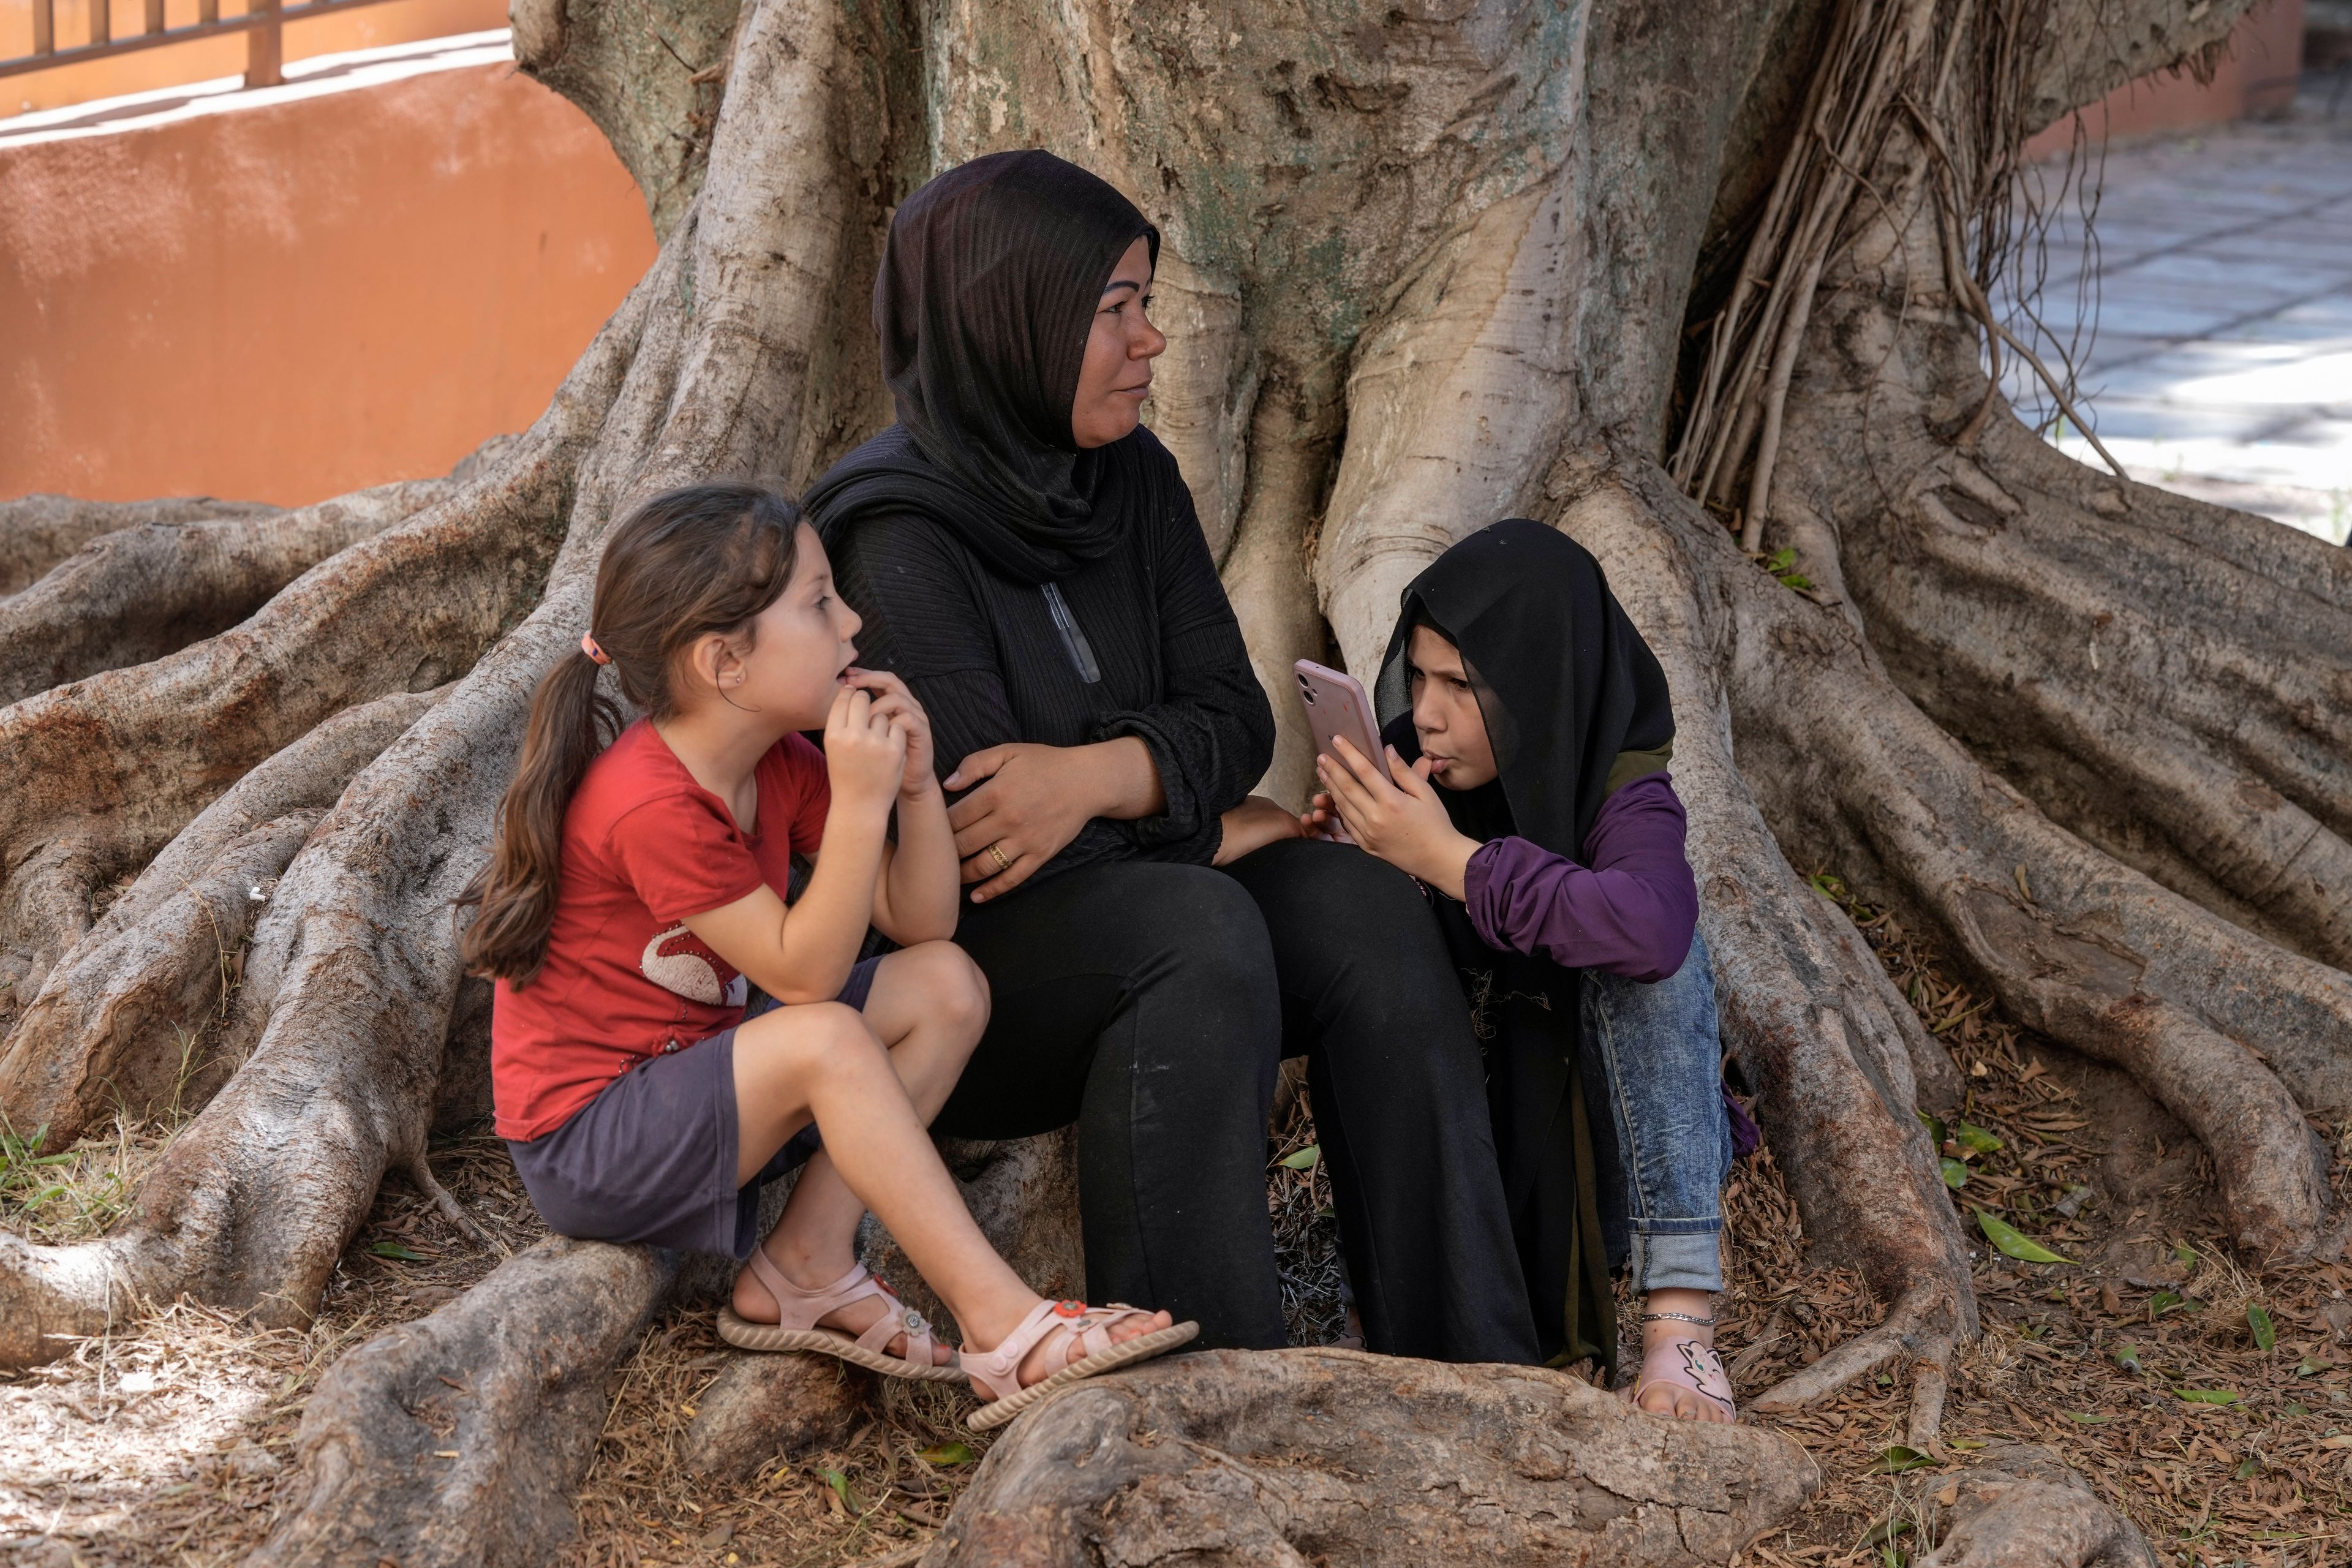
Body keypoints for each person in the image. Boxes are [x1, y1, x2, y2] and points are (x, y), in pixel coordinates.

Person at [807, 149, 1537, 1363]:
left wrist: (1102, 776)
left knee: (1360, 902)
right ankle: (1205, 1384)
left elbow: (1236, 713)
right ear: (1011, 322)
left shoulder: (1131, 479)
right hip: (969, 989)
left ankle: (1465, 1360)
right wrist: (1201, 810)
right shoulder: (893, 538)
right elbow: (996, 845)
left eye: (1145, 302)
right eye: (1113, 311)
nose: (1150, 341)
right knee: (1190, 926)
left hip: (1148, 895)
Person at [461, 482, 1194, 1431]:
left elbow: (919, 920)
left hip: (698, 1076)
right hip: (591, 1141)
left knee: (946, 990)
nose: (851, 621)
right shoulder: (648, 802)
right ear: (725, 662)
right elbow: (803, 982)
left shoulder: (775, 760)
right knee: (827, 1038)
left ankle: (805, 1262)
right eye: (817, 603)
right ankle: (1006, 1333)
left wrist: (917, 789)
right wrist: (856, 805)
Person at [1306, 518, 1743, 1422]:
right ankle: (1399, 1290)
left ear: (1540, 685)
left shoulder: (1622, 789)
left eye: (1462, 685)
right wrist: (1357, 855)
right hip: (1470, 1136)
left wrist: (1452, 862)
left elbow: (1654, 932)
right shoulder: (1413, 763)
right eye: (1419, 676)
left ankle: (1680, 1330)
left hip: (1595, 1143)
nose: (1427, 712)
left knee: (1661, 957)